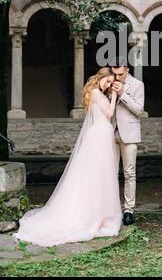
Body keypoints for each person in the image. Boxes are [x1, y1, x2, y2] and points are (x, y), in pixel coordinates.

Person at [13, 68, 122, 247]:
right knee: (96, 176)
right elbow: (109, 115)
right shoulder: (96, 93)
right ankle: (91, 215)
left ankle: (101, 214)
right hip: (99, 137)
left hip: (100, 135)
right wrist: (115, 96)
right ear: (100, 78)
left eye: (111, 83)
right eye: (107, 81)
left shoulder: (97, 94)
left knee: (100, 177)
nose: (108, 85)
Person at [109, 57, 145, 226]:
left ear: (127, 70)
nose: (117, 78)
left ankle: (128, 210)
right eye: (114, 74)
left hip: (129, 134)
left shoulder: (138, 85)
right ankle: (112, 208)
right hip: (110, 133)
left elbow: (139, 110)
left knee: (129, 173)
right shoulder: (110, 82)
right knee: (110, 173)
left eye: (120, 74)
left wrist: (123, 94)